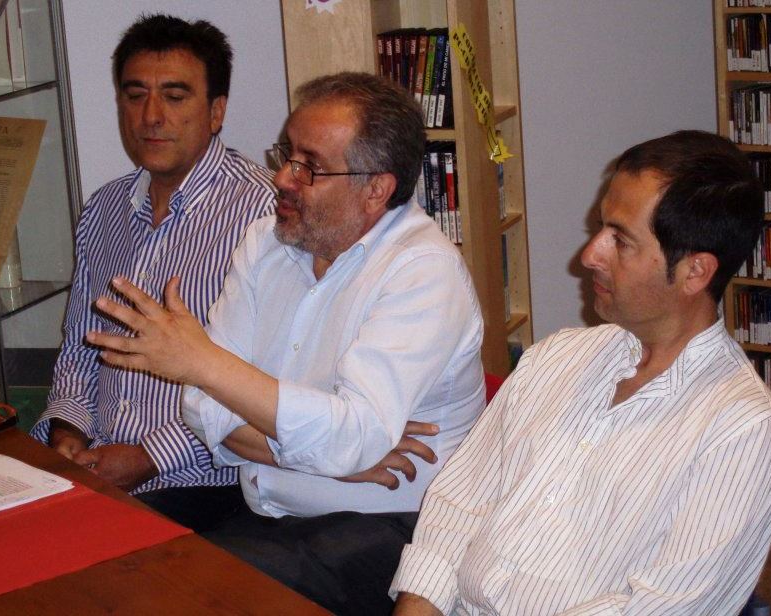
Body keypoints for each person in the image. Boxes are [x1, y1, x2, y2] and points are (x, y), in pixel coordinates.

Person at [87, 72, 485, 615]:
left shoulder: (423, 272)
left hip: (390, 528)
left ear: (376, 189)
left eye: (309, 166)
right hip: (264, 508)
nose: (282, 177)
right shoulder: (266, 242)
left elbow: (346, 437)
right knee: (108, 556)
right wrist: (327, 458)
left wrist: (205, 365)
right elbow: (203, 411)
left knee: (184, 593)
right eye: (286, 154)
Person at [390, 130, 771, 615]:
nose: (590, 255)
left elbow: (659, 609)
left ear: (694, 272)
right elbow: (455, 511)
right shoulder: (556, 358)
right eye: (601, 227)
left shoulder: (743, 435)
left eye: (620, 240)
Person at [30, 14, 275, 532]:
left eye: (175, 96)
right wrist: (67, 431)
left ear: (216, 111)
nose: (152, 116)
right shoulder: (104, 209)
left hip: (203, 483)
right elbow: (79, 348)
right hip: (94, 467)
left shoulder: (265, 213)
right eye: (135, 94)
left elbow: (266, 381)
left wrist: (148, 456)